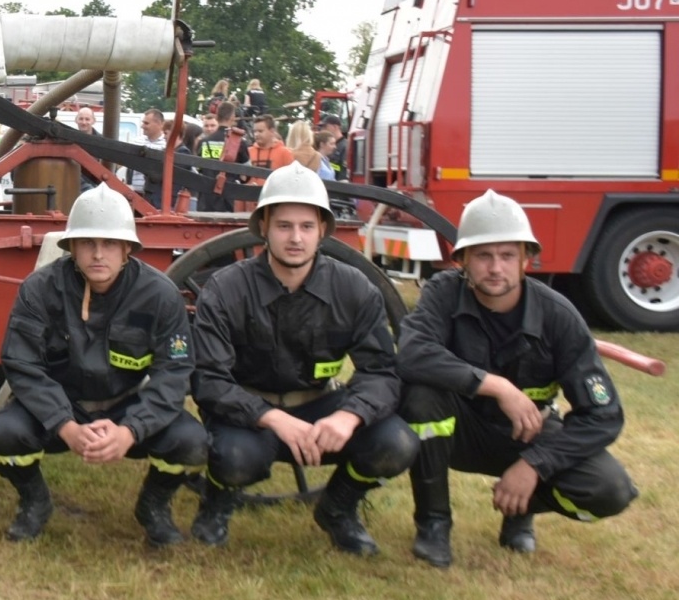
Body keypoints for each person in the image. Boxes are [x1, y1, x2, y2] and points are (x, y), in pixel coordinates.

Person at [397, 191, 637, 567]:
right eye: (483, 255)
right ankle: (433, 526)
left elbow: (603, 415)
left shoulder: (559, 317)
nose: (496, 268)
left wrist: (535, 465)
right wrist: (497, 386)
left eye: (508, 255)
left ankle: (520, 510)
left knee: (611, 491)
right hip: (461, 431)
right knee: (422, 395)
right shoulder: (444, 294)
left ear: (527, 260)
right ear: (461, 261)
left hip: (529, 435)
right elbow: (412, 354)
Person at [189, 162, 418, 555]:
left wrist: (349, 416)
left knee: (396, 442)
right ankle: (217, 501)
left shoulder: (354, 289)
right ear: (264, 228)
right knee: (235, 457)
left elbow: (382, 372)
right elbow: (208, 379)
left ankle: (338, 508)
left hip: (321, 406)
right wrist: (273, 418)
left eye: (307, 227)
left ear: (323, 230)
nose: (296, 238)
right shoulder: (226, 289)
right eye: (284, 226)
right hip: (250, 414)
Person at [0, 187, 205, 544]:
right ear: (72, 247)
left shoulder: (160, 295)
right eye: (88, 243)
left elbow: (173, 374)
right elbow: (22, 364)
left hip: (128, 407)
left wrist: (130, 430)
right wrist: (65, 425)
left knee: (191, 441)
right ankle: (35, 501)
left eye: (110, 243)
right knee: (3, 436)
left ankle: (154, 504)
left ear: (127, 249)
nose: (99, 254)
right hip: (64, 407)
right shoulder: (39, 290)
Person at [192, 101, 249, 214]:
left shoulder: (203, 142)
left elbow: (197, 170)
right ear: (232, 117)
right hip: (228, 199)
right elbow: (247, 174)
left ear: (217, 117)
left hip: (205, 199)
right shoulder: (239, 142)